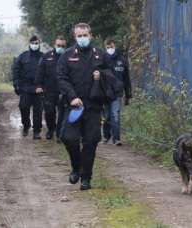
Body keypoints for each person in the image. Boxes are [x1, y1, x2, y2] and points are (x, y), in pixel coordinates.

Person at [57, 23, 112, 190]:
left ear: (91, 35)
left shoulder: (101, 55)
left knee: (91, 142)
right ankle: (76, 166)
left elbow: (112, 78)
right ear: (75, 37)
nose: (82, 38)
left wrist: (101, 76)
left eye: (84, 35)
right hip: (74, 106)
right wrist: (72, 97)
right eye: (79, 36)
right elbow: (61, 78)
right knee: (68, 138)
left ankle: (86, 177)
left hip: (94, 107)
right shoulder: (67, 56)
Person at [35, 36, 67, 140]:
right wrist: (39, 85)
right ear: (54, 44)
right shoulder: (46, 56)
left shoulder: (68, 56)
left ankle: (60, 133)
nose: (60, 48)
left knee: (62, 112)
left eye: (63, 46)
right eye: (59, 45)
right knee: (49, 112)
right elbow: (40, 72)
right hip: (49, 89)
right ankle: (51, 129)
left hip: (64, 90)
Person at [12, 35, 44, 140]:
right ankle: (26, 125)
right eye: (33, 43)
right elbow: (15, 70)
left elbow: (48, 73)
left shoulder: (43, 57)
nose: (35, 45)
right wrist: (16, 85)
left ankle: (36, 131)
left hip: (38, 88)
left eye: (36, 43)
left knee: (38, 111)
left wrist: (44, 87)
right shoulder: (23, 56)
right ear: (29, 44)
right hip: (25, 88)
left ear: (39, 44)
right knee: (23, 107)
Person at [103, 38, 132, 146]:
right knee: (107, 116)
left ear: (115, 46)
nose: (110, 49)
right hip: (105, 93)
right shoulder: (102, 59)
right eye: (108, 47)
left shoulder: (122, 60)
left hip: (117, 93)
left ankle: (117, 139)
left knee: (116, 114)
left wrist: (128, 95)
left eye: (111, 47)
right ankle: (106, 136)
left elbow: (127, 79)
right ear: (105, 48)